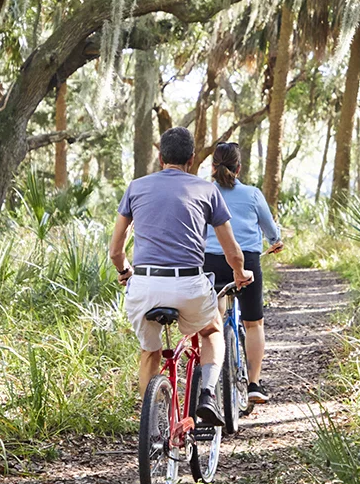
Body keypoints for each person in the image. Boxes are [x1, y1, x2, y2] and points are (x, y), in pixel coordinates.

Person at [108, 127, 254, 427]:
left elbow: (115, 251)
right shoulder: (208, 190)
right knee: (212, 330)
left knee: (150, 351)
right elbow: (232, 251)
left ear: (160, 157)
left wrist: (125, 272)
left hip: (145, 286)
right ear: (191, 159)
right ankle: (208, 396)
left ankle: (155, 422)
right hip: (188, 284)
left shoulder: (136, 187)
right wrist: (240, 273)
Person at [202, 142, 283, 403]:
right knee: (253, 322)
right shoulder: (252, 194)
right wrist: (275, 241)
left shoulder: (203, 192)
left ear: (213, 167)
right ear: (239, 168)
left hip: (210, 261)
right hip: (246, 260)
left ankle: (210, 385)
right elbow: (270, 229)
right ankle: (254, 384)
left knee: (213, 322)